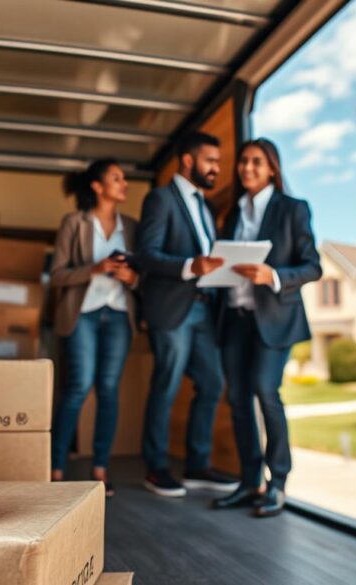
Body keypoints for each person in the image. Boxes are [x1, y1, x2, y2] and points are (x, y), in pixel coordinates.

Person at [210, 139, 321, 518]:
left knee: (264, 389)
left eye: (256, 162)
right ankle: (248, 482)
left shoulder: (293, 209)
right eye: (242, 161)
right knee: (238, 400)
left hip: (274, 320)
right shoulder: (232, 214)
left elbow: (312, 266)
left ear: (272, 168)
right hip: (235, 319)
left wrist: (272, 274)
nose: (247, 168)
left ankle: (278, 483)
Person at [137, 131, 238, 497]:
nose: (216, 169)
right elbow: (146, 254)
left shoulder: (206, 207)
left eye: (218, 162)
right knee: (166, 385)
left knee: (212, 383)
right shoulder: (160, 199)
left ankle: (198, 465)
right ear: (188, 160)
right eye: (211, 161)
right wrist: (189, 266)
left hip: (203, 311)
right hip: (172, 309)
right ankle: (156, 467)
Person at [49, 159, 139, 497]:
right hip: (83, 314)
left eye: (124, 178)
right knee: (78, 387)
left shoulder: (131, 226)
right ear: (97, 187)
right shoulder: (74, 222)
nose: (124, 183)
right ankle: (55, 469)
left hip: (118, 314)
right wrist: (96, 268)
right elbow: (57, 275)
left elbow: (141, 274)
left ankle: (100, 469)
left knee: (108, 390)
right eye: (116, 178)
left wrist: (133, 277)